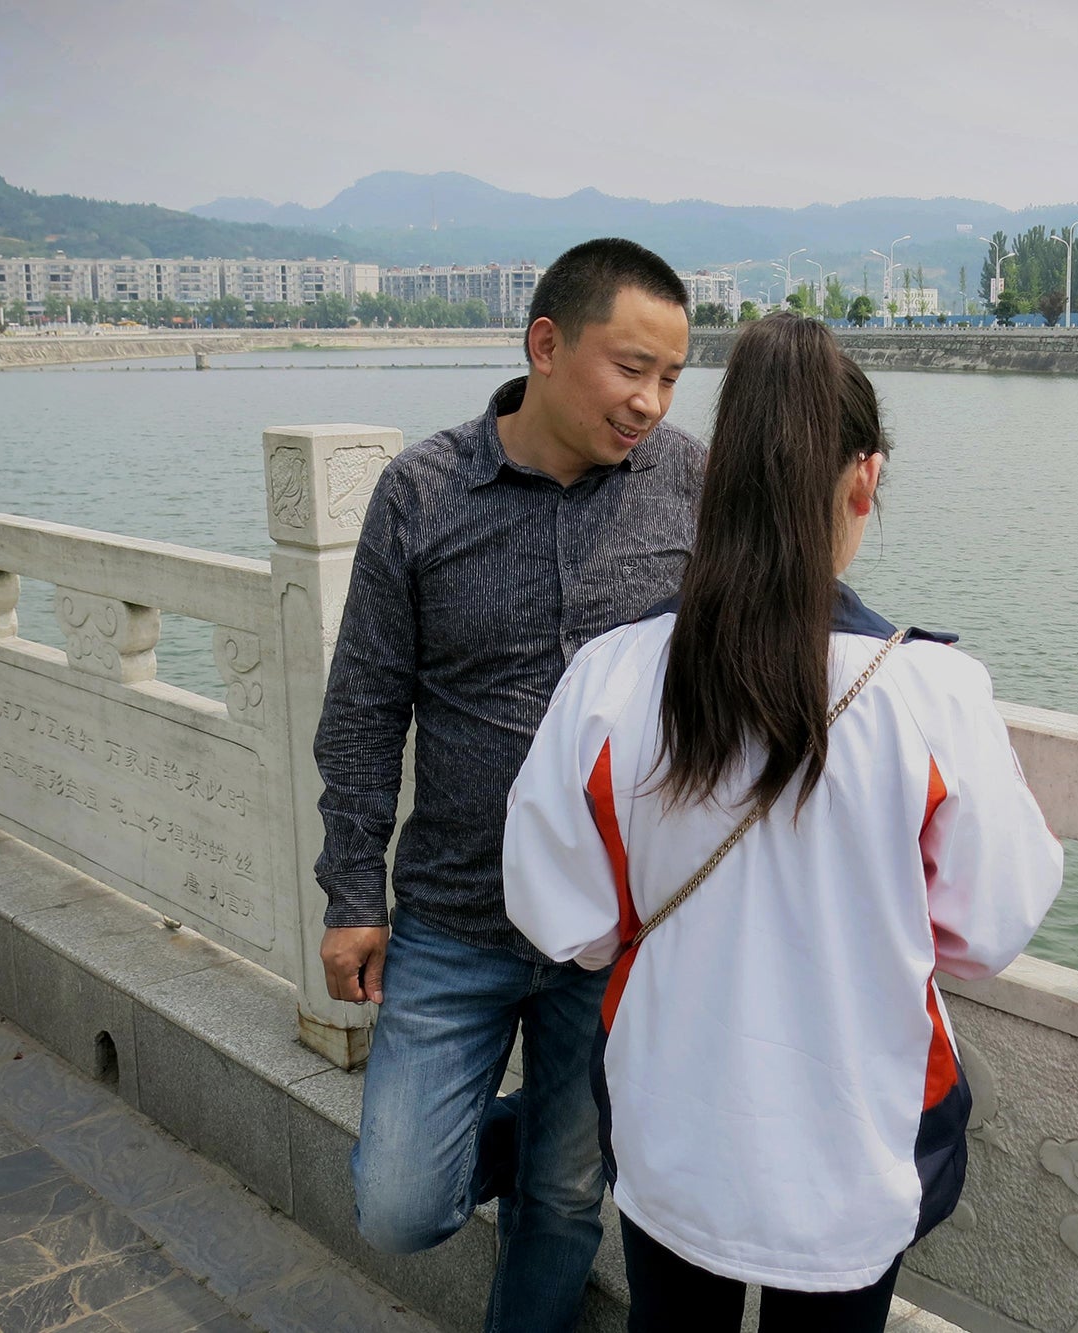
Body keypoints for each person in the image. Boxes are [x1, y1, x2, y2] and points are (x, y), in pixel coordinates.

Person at [502, 313, 1063, 1331]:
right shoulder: (931, 693)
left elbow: (565, 919)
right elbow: (988, 931)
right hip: (855, 1147)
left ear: (719, 479)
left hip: (670, 1129)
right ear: (865, 479)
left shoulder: (612, 677)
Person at [312, 237, 703, 1333]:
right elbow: (362, 710)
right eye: (631, 367)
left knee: (567, 1200)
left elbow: (767, 631)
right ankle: (555, 1126)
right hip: (455, 919)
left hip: (615, 928)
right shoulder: (421, 495)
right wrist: (352, 895)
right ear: (543, 342)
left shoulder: (690, 484)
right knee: (399, 1202)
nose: (650, 403)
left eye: (671, 377)